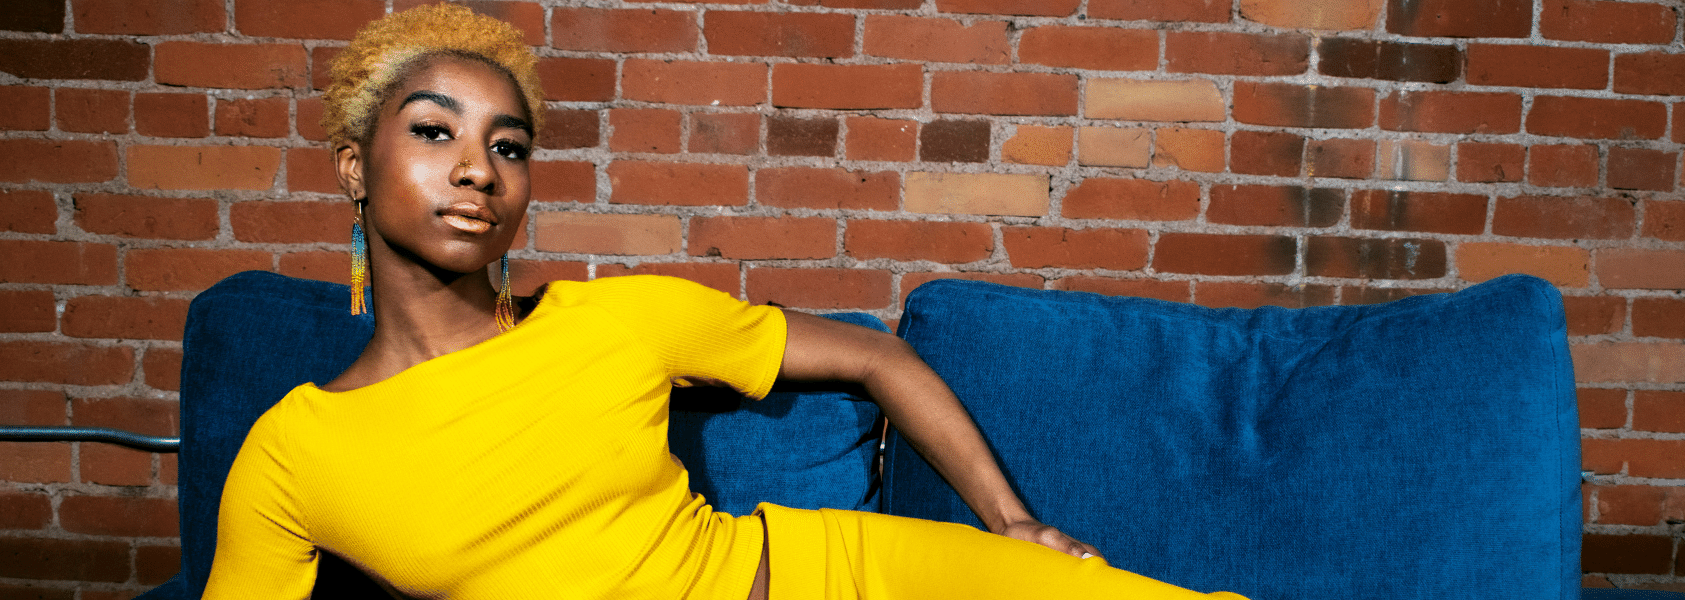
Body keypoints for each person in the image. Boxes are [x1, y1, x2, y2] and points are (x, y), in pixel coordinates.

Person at [203, 5, 1246, 600]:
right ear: (351, 165)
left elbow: (876, 358)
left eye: (507, 147)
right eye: (434, 132)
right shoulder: (296, 453)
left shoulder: (616, 319)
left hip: (827, 576)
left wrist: (1012, 524)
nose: (477, 170)